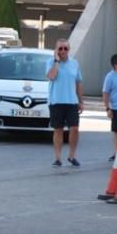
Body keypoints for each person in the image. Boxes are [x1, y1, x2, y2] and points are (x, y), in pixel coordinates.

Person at [46, 39, 83, 167]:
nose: (63, 51)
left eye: (65, 48)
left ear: (69, 50)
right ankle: (57, 157)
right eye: (60, 48)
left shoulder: (75, 63)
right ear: (56, 50)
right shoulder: (50, 62)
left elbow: (78, 83)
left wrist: (81, 101)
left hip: (71, 101)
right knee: (58, 129)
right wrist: (56, 61)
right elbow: (52, 76)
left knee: (74, 128)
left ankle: (72, 156)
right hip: (56, 101)